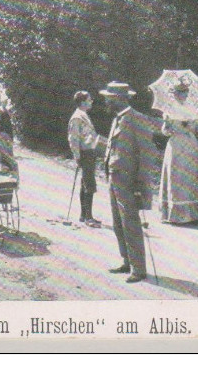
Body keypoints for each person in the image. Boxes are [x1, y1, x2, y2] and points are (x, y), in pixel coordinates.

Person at [101, 82, 154, 283]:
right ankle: (127, 261)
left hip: (129, 180)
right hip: (114, 177)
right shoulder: (118, 118)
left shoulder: (137, 119)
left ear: (120, 99)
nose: (106, 101)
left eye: (109, 98)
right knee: (118, 222)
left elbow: (146, 154)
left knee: (130, 223)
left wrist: (140, 183)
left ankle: (138, 269)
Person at [158, 81, 198, 225]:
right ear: (174, 94)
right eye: (179, 93)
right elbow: (164, 131)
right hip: (176, 145)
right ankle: (175, 215)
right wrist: (168, 128)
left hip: (191, 145)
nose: (182, 95)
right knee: (176, 176)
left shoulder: (194, 110)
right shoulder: (169, 110)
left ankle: (193, 215)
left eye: (184, 92)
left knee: (191, 177)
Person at [68, 90, 106, 226]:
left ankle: (84, 215)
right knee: (89, 184)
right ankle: (88, 217)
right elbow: (73, 138)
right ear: (82, 102)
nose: (91, 102)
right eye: (89, 100)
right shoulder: (77, 117)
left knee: (85, 182)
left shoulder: (83, 115)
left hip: (89, 152)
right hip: (85, 153)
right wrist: (77, 156)